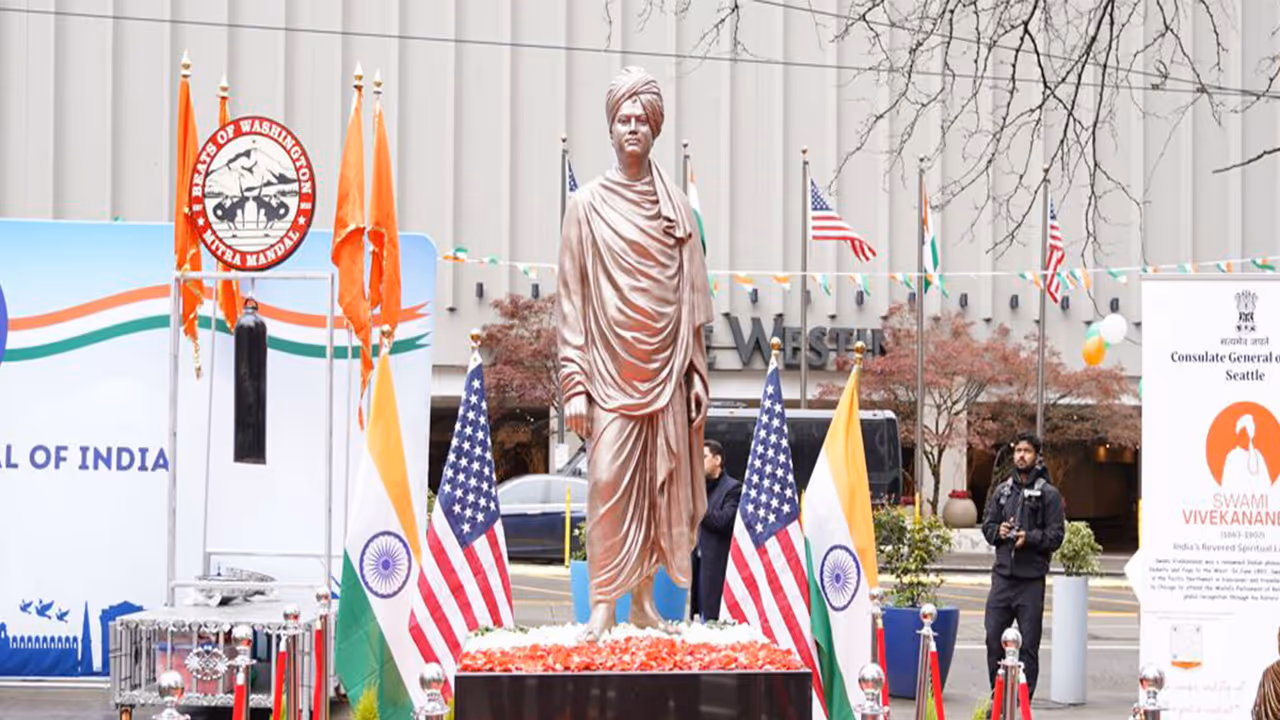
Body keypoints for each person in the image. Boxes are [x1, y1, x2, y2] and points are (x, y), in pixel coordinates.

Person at [557, 66, 715, 642]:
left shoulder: (676, 208)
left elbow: (689, 294)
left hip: (669, 369)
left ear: (653, 130)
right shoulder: (586, 207)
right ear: (611, 128)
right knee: (605, 483)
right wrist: (574, 382)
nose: (631, 128)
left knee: (658, 486)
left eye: (640, 121)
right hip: (609, 377)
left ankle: (644, 603)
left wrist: (696, 370)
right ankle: (602, 605)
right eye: (622, 119)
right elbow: (571, 303)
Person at [982, 432, 1065, 704]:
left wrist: (1028, 538)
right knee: (993, 640)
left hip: (1031, 581)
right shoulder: (1003, 491)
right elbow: (987, 527)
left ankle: (1022, 703)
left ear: (1037, 455)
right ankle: (999, 700)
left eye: (1027, 451)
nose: (1021, 455)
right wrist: (999, 530)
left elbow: (1056, 536)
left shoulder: (1049, 494)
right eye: (1018, 450)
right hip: (1002, 579)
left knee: (1029, 647)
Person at [691, 439, 742, 622]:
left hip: (716, 573)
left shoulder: (733, 489)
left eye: (703, 457)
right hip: (695, 569)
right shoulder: (697, 489)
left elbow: (724, 522)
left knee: (713, 624)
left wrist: (698, 507)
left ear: (717, 460)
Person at [1223, 414, 1271, 491]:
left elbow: (1266, 483)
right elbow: (1226, 484)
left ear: (1250, 435)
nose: (1242, 438)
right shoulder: (1232, 456)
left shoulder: (1258, 456)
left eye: (1244, 434)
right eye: (1240, 435)